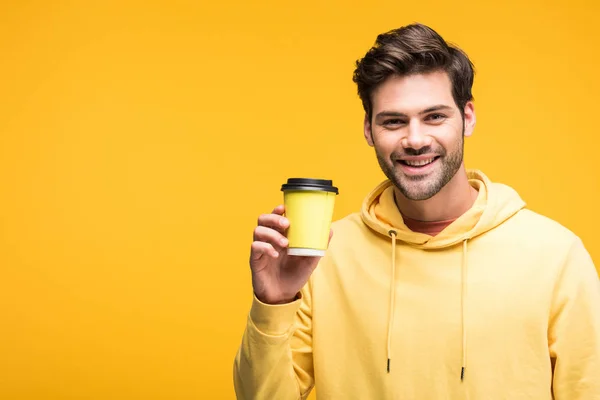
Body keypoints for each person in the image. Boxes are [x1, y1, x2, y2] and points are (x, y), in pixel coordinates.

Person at [232, 23, 600, 399]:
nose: (415, 139)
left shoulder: (555, 256)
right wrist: (273, 304)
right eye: (393, 121)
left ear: (467, 117)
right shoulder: (322, 255)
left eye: (434, 117)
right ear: (368, 130)